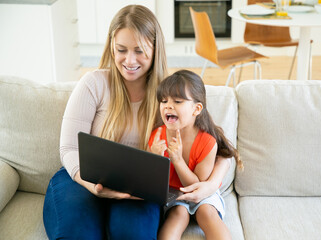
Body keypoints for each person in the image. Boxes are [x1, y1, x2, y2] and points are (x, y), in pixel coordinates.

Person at [43, 4, 230, 240]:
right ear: (111, 47)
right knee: (77, 234)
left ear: (155, 49)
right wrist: (93, 187)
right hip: (83, 179)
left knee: (134, 235)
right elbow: (69, 148)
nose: (129, 60)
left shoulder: (168, 95)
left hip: (138, 186)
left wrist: (211, 185)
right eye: (121, 49)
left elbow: (217, 144)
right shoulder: (93, 84)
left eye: (139, 51)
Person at [148, 70, 243, 240]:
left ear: (196, 109)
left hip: (202, 190)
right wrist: (153, 158)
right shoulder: (157, 136)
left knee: (207, 212)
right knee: (178, 214)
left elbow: (197, 186)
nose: (168, 105)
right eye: (164, 101)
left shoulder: (207, 142)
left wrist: (177, 160)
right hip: (174, 194)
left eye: (177, 101)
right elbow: (154, 180)